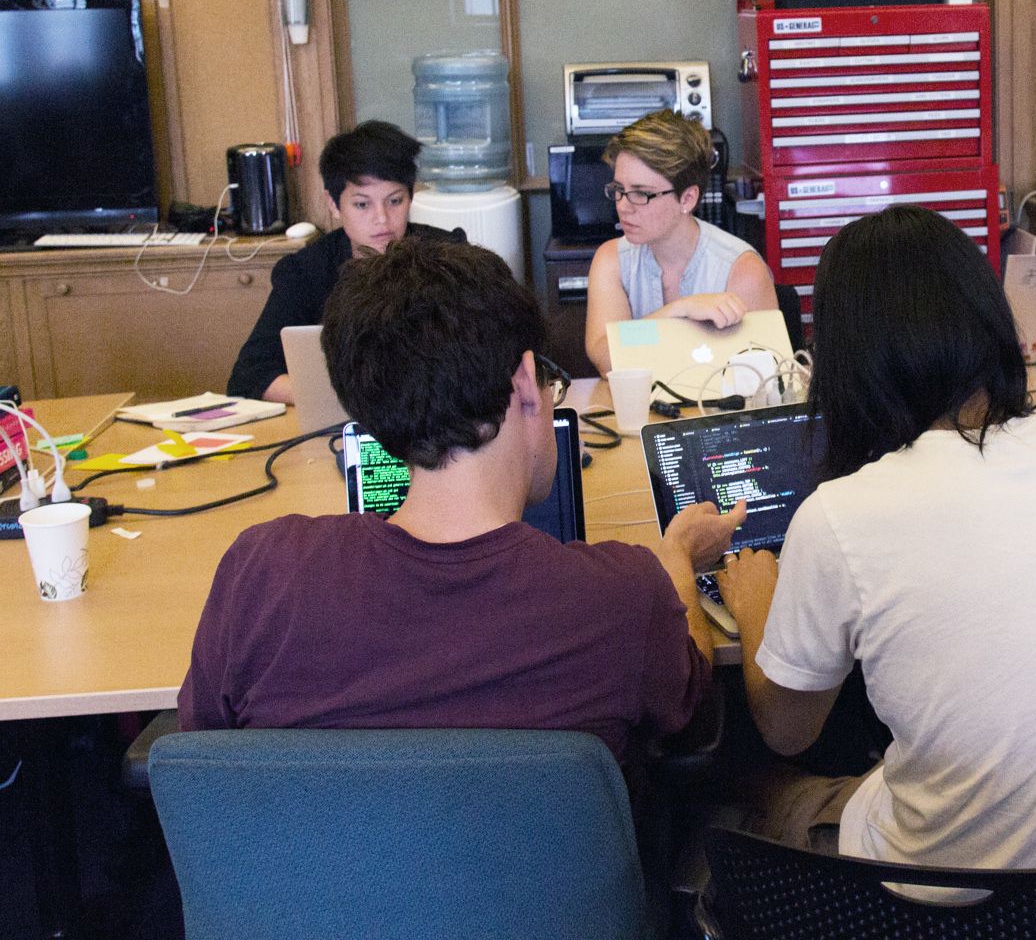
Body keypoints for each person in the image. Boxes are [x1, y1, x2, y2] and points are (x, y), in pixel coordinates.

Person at [720, 206, 1036, 870]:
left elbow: (787, 730)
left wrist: (751, 602)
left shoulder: (842, 515)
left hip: (936, 905)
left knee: (745, 785)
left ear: (842, 360)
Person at [180, 237, 743, 756]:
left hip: (313, 868)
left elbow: (203, 757)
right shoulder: (622, 595)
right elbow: (691, 721)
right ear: (526, 383)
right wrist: (674, 566)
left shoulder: (261, 572)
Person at [227, 121, 463, 403]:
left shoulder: (449, 256)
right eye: (362, 204)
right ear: (333, 204)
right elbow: (250, 376)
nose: (382, 219)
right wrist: (354, 402)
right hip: (345, 423)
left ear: (410, 197)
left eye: (395, 201)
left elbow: (493, 356)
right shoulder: (304, 273)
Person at [583, 109, 776, 375]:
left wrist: (644, 333)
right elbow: (606, 358)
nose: (623, 207)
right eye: (619, 190)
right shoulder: (611, 260)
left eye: (641, 194)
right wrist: (678, 311)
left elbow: (762, 382)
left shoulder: (742, 269)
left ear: (687, 199)